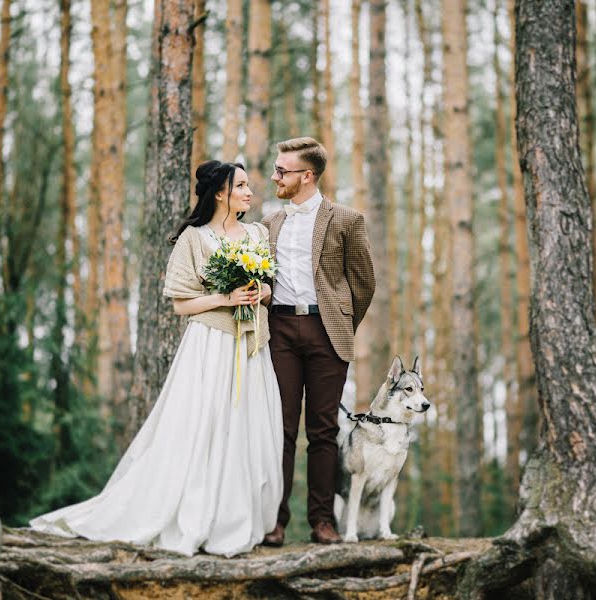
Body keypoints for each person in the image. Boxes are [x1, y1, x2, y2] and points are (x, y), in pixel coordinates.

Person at [30, 161, 283, 557]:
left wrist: (259, 293)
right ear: (220, 193)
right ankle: (194, 515)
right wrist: (226, 298)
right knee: (204, 427)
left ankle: (236, 519)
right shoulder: (194, 239)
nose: (251, 193)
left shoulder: (257, 234)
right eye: (242, 186)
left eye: (250, 186)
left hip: (251, 346)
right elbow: (182, 304)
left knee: (248, 427)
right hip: (210, 347)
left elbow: (270, 287)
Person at [260, 137, 375, 546]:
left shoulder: (345, 219)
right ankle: (274, 521)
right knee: (281, 429)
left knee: (324, 430)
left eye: (282, 171)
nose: (275, 176)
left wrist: (341, 321)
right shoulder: (269, 223)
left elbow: (363, 283)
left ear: (306, 176)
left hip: (327, 333)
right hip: (280, 333)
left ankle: (322, 521)